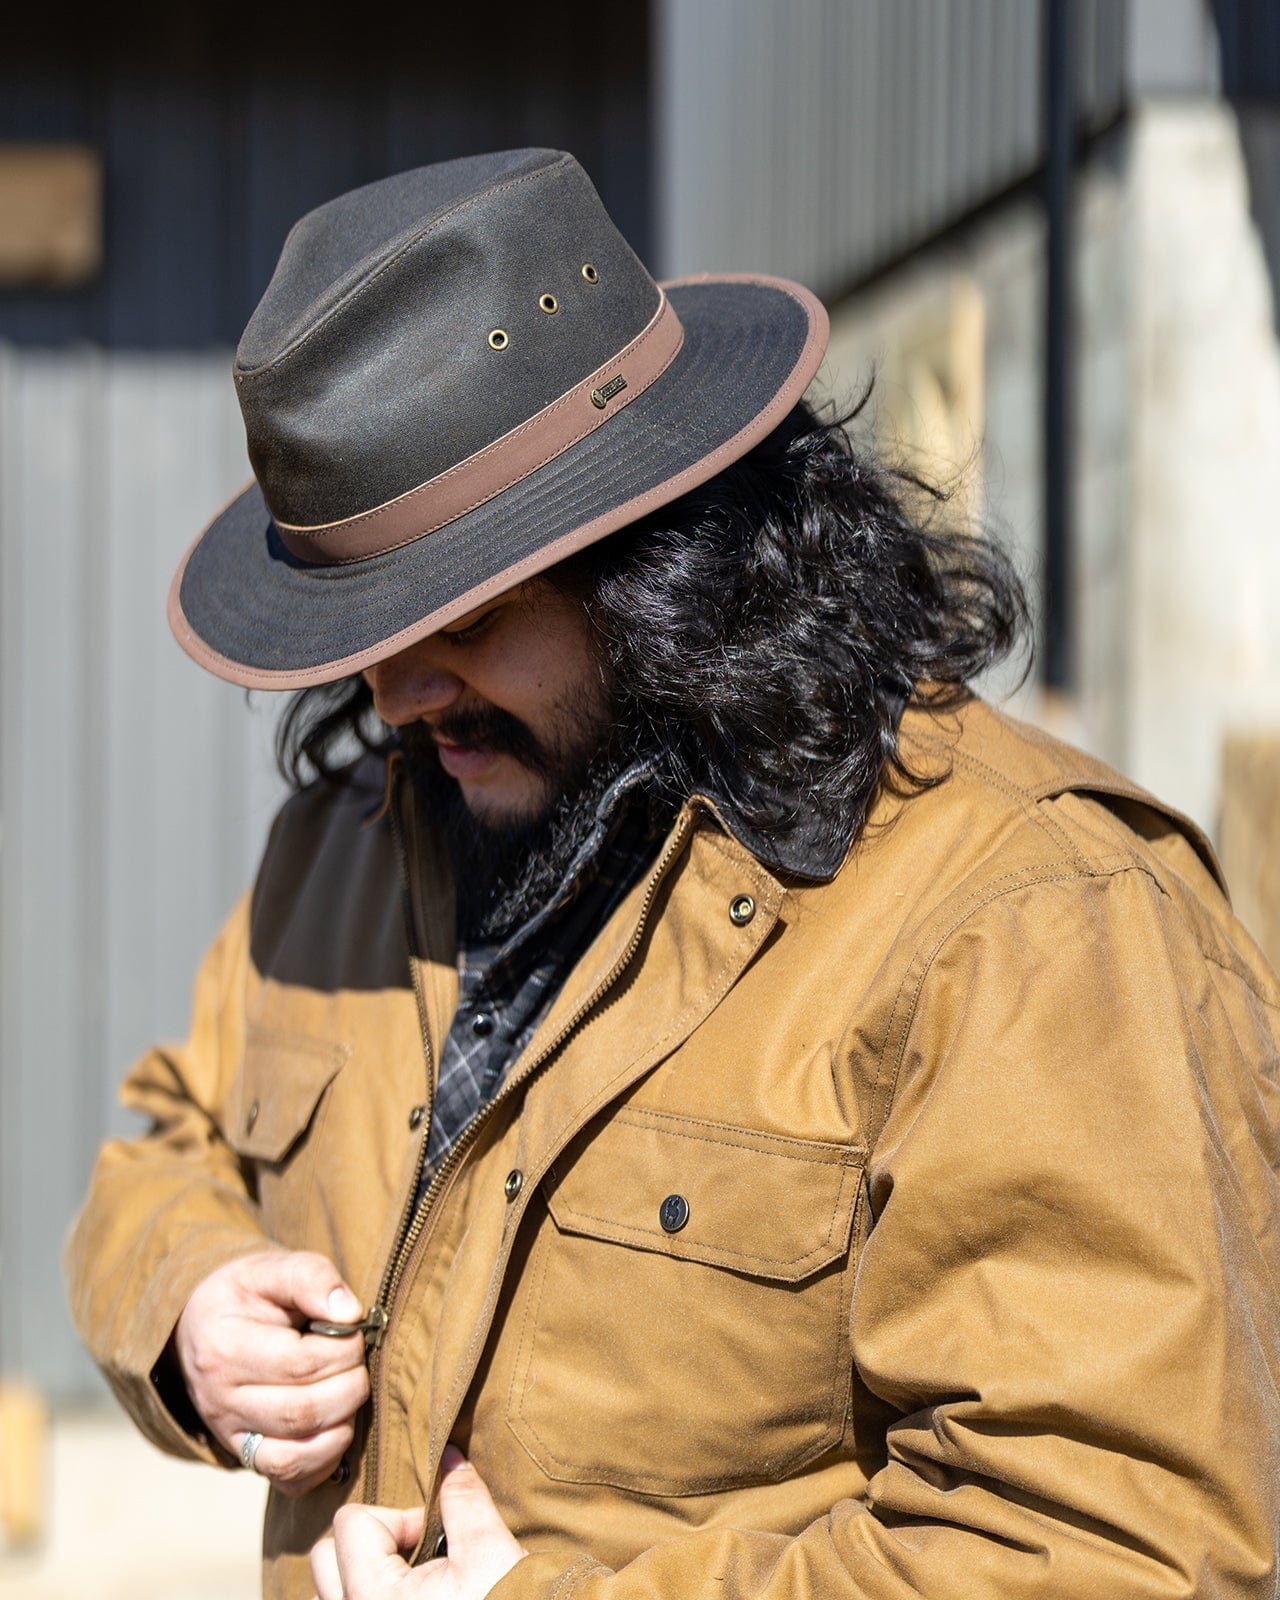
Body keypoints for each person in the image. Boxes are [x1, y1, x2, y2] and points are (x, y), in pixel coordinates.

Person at [66, 148, 1280, 1600]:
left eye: (465, 619)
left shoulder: (1034, 920)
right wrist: (190, 1297)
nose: (394, 699)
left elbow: (1113, 1552)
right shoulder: (341, 845)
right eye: (362, 637)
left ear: (672, 564)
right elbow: (170, 1138)